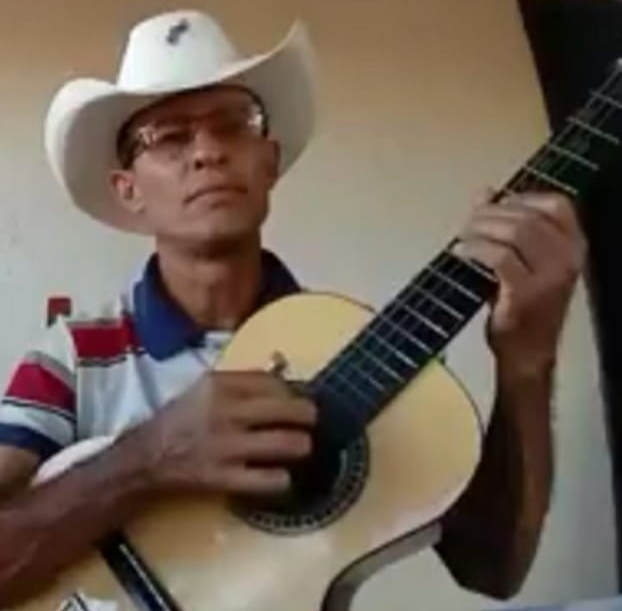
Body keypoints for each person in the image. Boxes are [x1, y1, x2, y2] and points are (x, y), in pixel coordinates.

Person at [0, 9, 585, 606]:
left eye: (234, 125)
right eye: (169, 137)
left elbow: (491, 569)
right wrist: (149, 458)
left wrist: (526, 360)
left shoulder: (357, 348)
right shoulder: (69, 358)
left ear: (269, 160)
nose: (208, 152)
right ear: (129, 190)